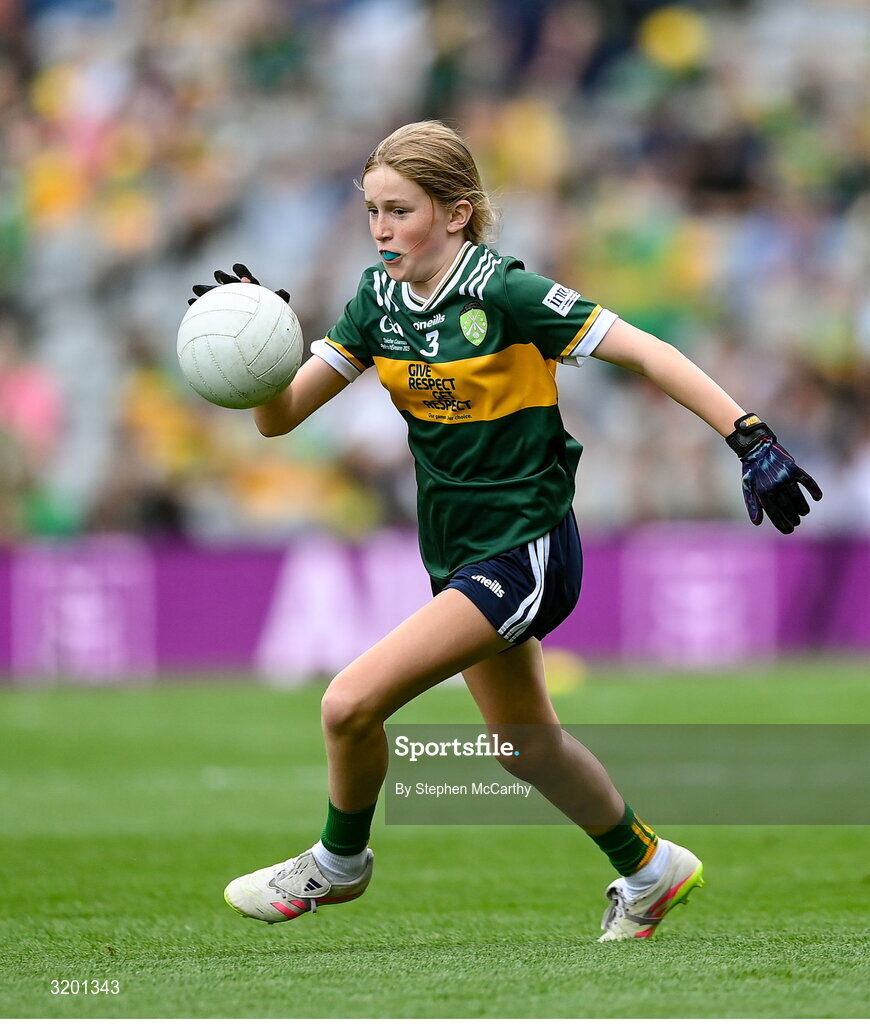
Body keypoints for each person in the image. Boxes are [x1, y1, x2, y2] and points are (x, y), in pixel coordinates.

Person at [189, 121, 822, 941]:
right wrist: (258, 343)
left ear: (456, 214)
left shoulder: (506, 293)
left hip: (524, 550)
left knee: (348, 703)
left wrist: (749, 435)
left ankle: (339, 863)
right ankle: (650, 868)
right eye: (373, 212)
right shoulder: (375, 302)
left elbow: (649, 350)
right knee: (525, 746)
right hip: (455, 554)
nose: (382, 231)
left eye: (400, 211)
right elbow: (279, 418)